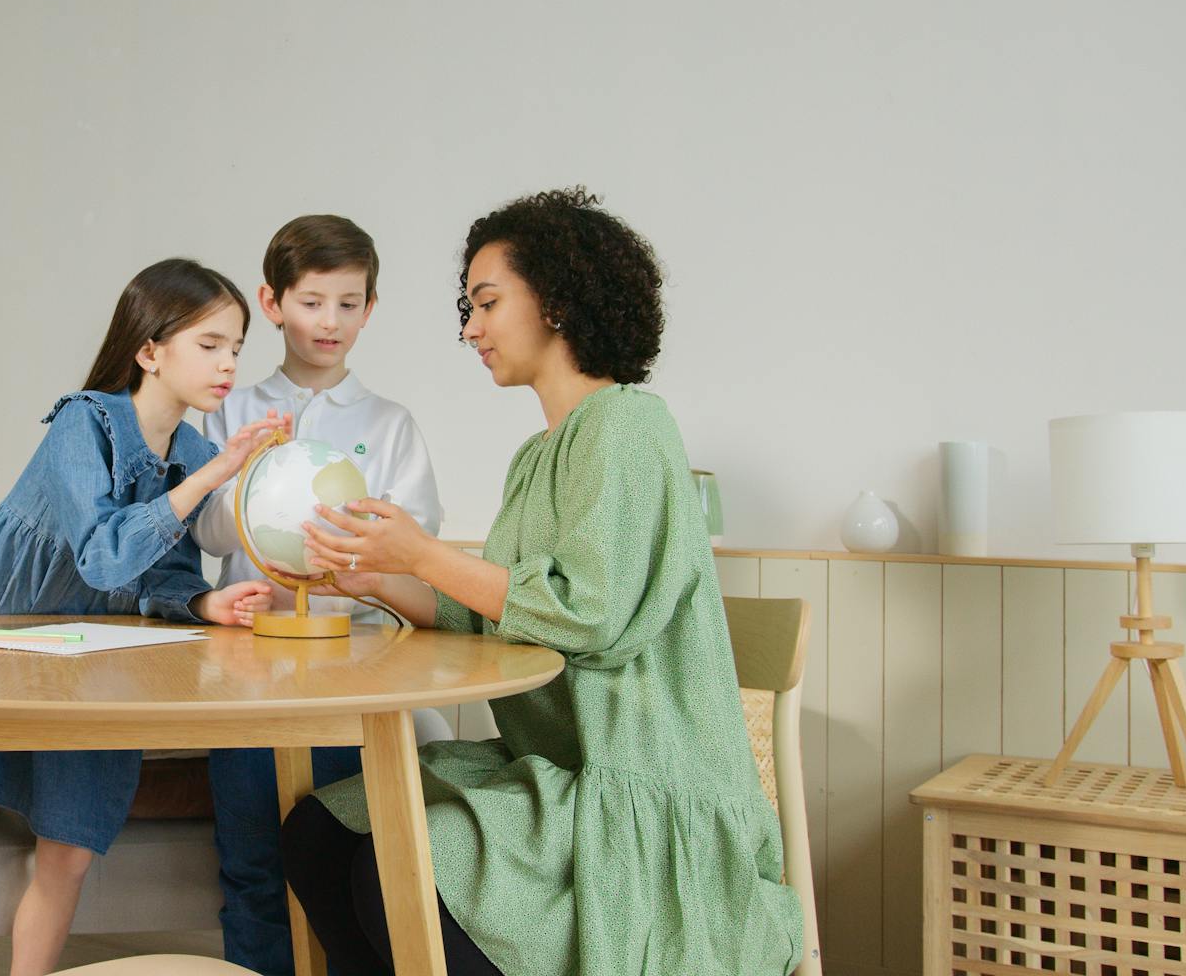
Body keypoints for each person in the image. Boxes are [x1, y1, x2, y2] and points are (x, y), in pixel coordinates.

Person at [279, 188, 804, 975]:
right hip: (557, 770)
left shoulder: (630, 426)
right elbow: (492, 613)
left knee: (392, 870)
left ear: (555, 302)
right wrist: (373, 577)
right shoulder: (538, 456)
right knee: (320, 834)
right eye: (470, 308)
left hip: (634, 785)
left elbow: (587, 615)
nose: (470, 329)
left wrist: (421, 553)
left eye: (487, 303)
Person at [0, 258, 285, 976]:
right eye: (210, 345)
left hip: (99, 663)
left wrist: (206, 603)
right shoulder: (84, 422)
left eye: (236, 347)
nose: (229, 363)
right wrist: (215, 474)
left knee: (70, 855)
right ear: (149, 351)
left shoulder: (194, 452)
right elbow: (104, 557)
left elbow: (160, 578)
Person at [193, 214, 442, 974]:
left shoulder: (389, 425)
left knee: (340, 869)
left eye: (348, 303)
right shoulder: (229, 411)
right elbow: (205, 533)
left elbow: (417, 545)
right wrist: (246, 473)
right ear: (272, 303)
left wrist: (358, 551)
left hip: (355, 673)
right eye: (310, 302)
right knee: (252, 868)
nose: (329, 321)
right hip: (247, 677)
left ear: (370, 309)